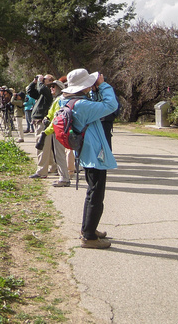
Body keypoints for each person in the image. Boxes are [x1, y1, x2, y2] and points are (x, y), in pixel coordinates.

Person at [61, 68, 118, 249]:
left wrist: (93, 90)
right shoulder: (82, 105)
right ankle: (89, 236)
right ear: (84, 86)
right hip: (94, 154)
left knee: (92, 191)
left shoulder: (70, 100)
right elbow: (111, 106)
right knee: (96, 194)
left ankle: (88, 228)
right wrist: (103, 85)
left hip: (86, 151)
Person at [43, 80, 72, 187]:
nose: (51, 89)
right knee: (60, 155)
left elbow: (56, 119)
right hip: (61, 130)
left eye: (54, 87)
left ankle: (64, 178)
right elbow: (51, 114)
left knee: (60, 155)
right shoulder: (59, 100)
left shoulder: (61, 100)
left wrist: (46, 132)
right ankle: (65, 176)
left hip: (59, 131)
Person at [27, 74, 55, 179]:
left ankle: (41, 171)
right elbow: (30, 92)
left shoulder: (48, 91)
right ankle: (53, 167)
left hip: (43, 122)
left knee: (41, 146)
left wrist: (39, 81)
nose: (42, 80)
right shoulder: (42, 92)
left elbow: (42, 88)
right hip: (38, 121)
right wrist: (34, 82)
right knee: (47, 147)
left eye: (45, 79)